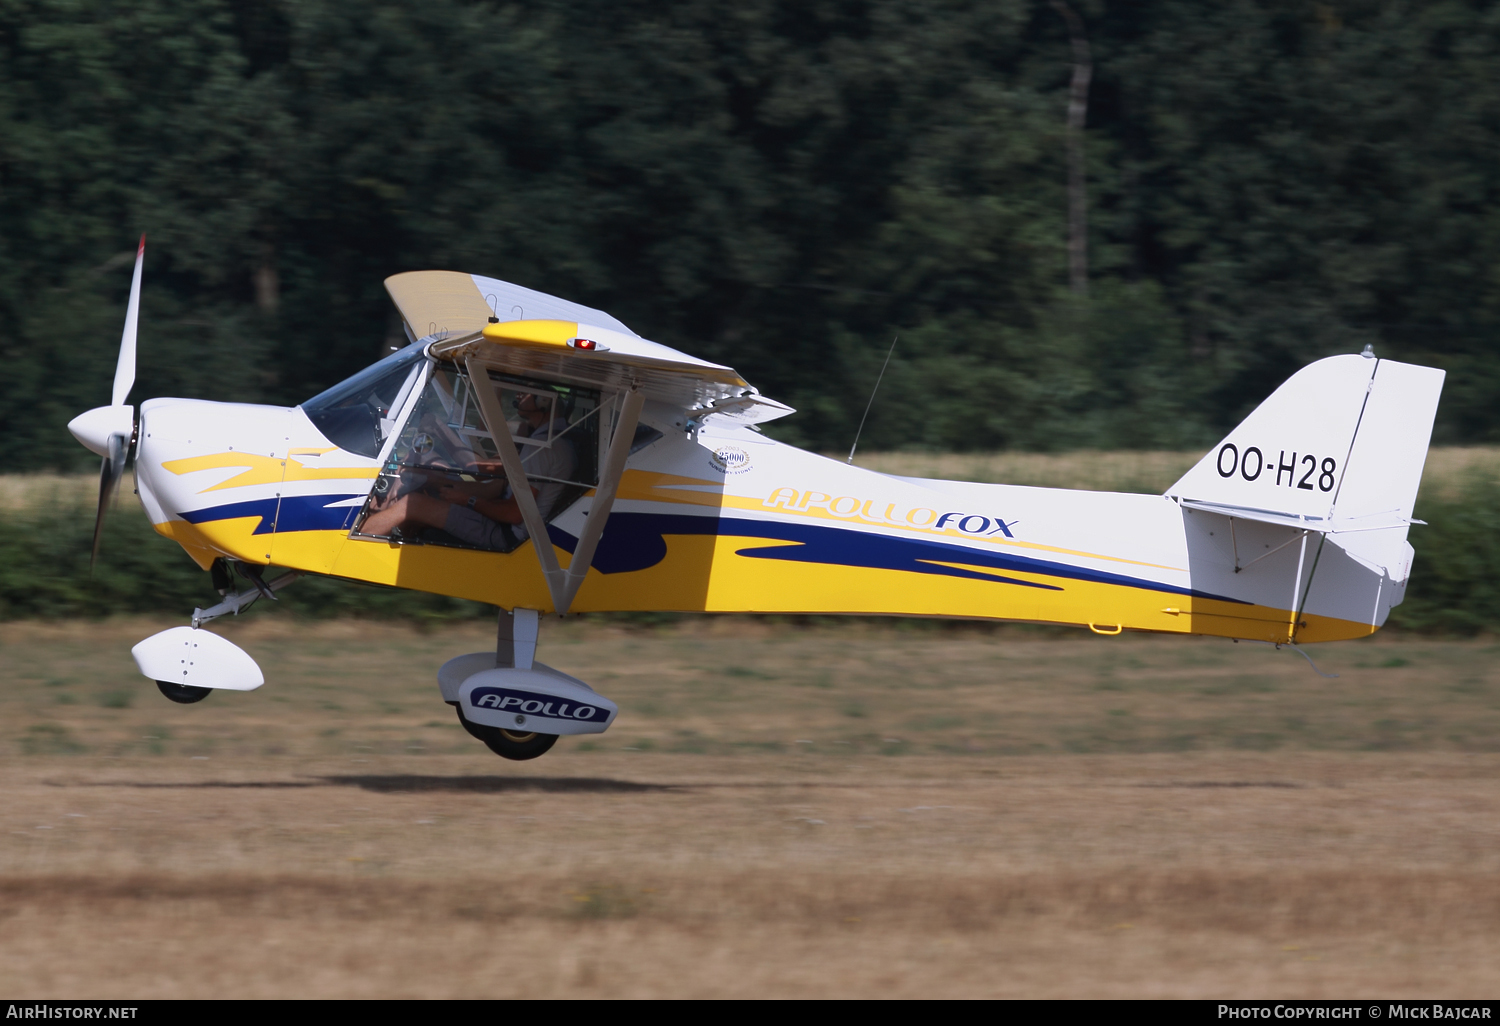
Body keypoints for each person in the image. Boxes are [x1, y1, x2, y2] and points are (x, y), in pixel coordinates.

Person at [360, 390, 575, 550]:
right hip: (502, 516)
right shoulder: (539, 439)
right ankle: (383, 517)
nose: (519, 394)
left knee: (412, 504)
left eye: (528, 391)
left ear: (545, 400)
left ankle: (356, 536)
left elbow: (513, 514)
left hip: (508, 536)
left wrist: (467, 500)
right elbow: (490, 464)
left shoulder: (544, 449)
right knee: (429, 471)